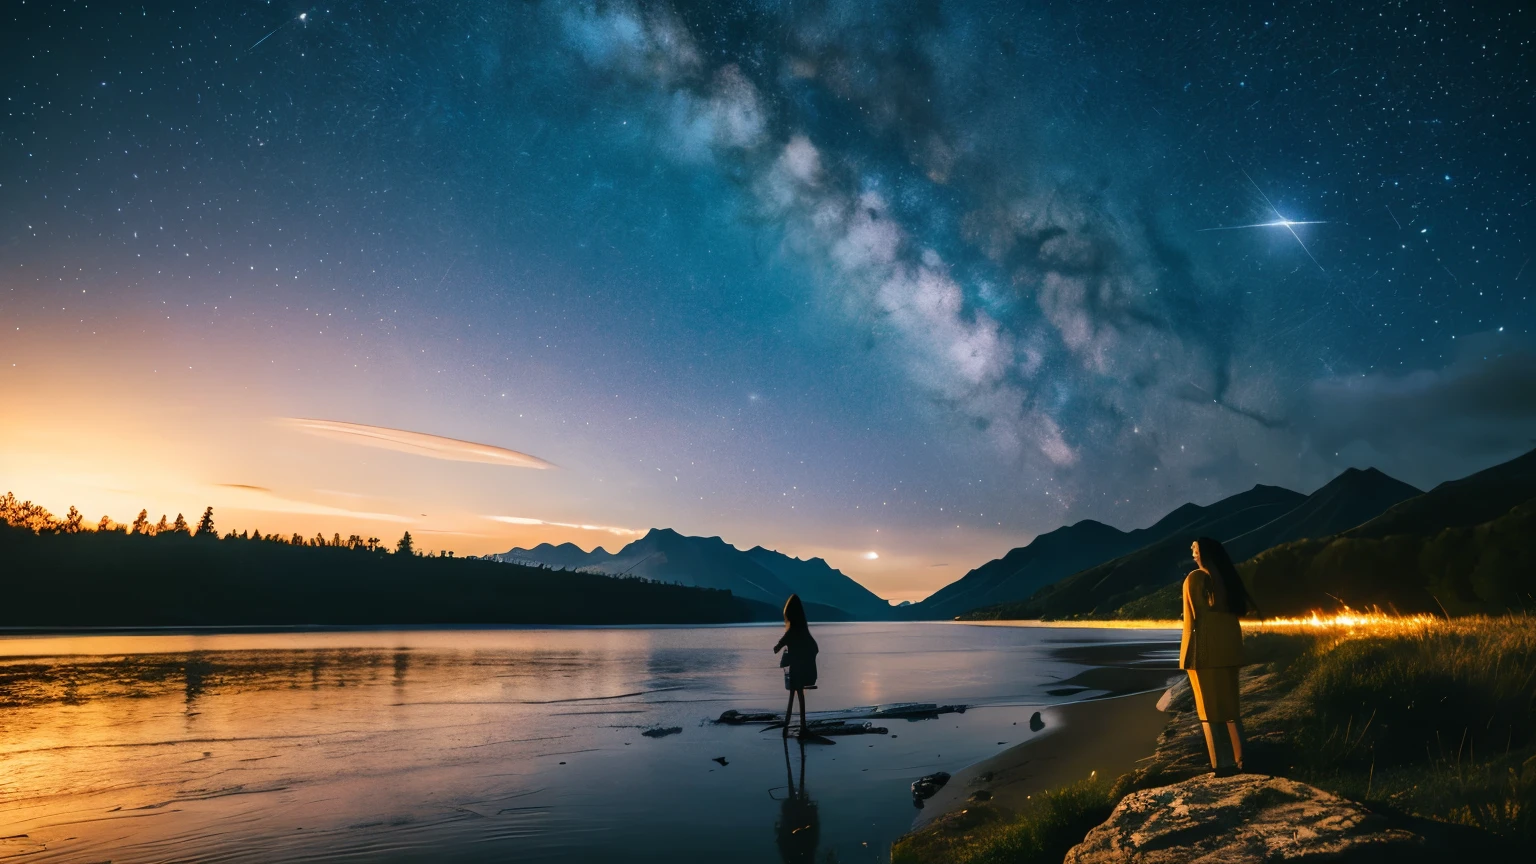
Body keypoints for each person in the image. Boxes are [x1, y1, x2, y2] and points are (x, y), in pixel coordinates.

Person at [1180, 536, 1251, 776]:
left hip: (1205, 652)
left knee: (1210, 710)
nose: (1193, 554)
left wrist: (1193, 657)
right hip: (1229, 650)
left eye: (1195, 549)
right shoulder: (1229, 582)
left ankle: (1222, 764)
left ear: (1205, 553)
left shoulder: (1196, 578)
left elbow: (1197, 616)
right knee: (1231, 708)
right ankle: (1242, 758)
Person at [773, 594, 819, 738]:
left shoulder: (792, 631)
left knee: (794, 695)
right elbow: (815, 649)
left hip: (796, 673)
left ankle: (789, 723)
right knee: (798, 696)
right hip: (807, 673)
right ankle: (802, 725)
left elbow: (776, 648)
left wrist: (783, 647)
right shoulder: (804, 632)